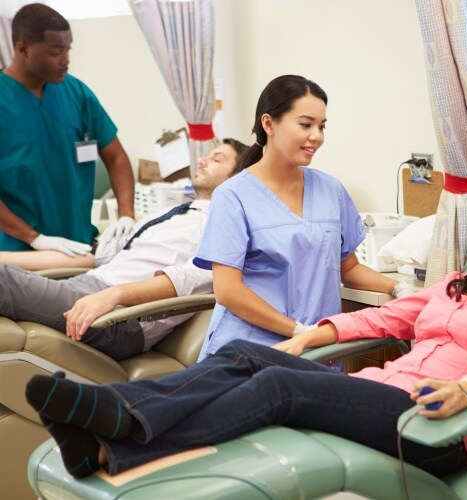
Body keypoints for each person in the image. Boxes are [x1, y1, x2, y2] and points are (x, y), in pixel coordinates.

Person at [26, 180, 467, 479]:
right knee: (251, 352)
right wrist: (308, 336)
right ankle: (108, 427)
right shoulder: (458, 284)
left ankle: (115, 432)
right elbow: (383, 318)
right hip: (379, 397)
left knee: (278, 388)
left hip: (434, 427)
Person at [194, 75, 399, 360]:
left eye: (321, 126)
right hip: (249, 348)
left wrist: (398, 288)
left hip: (314, 350)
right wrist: (298, 332)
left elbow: (348, 268)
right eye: (305, 124)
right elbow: (228, 291)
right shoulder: (233, 196)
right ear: (269, 124)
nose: (316, 135)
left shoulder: (331, 190)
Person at [0, 139, 248, 360]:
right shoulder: (169, 213)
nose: (203, 160)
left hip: (122, 317)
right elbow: (90, 257)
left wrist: (115, 295)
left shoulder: (222, 226)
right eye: (208, 155)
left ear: (238, 179)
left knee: (4, 280)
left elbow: (190, 279)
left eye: (217, 159)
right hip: (89, 286)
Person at [0, 3, 135, 254]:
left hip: (79, 245)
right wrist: (36, 238)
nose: (66, 60)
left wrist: (127, 215)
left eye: (68, 49)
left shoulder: (77, 93)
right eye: (55, 52)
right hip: (16, 253)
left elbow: (116, 158)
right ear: (23, 49)